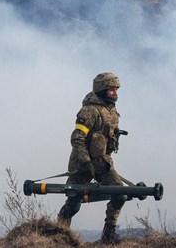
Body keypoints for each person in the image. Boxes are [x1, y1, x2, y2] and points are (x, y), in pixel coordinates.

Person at [57, 71, 129, 244]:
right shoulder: (89, 111)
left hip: (103, 162)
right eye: (111, 89)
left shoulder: (111, 110)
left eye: (116, 89)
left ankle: (109, 234)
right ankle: (59, 234)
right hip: (82, 163)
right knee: (74, 199)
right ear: (102, 90)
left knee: (120, 194)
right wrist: (85, 162)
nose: (115, 93)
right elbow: (77, 138)